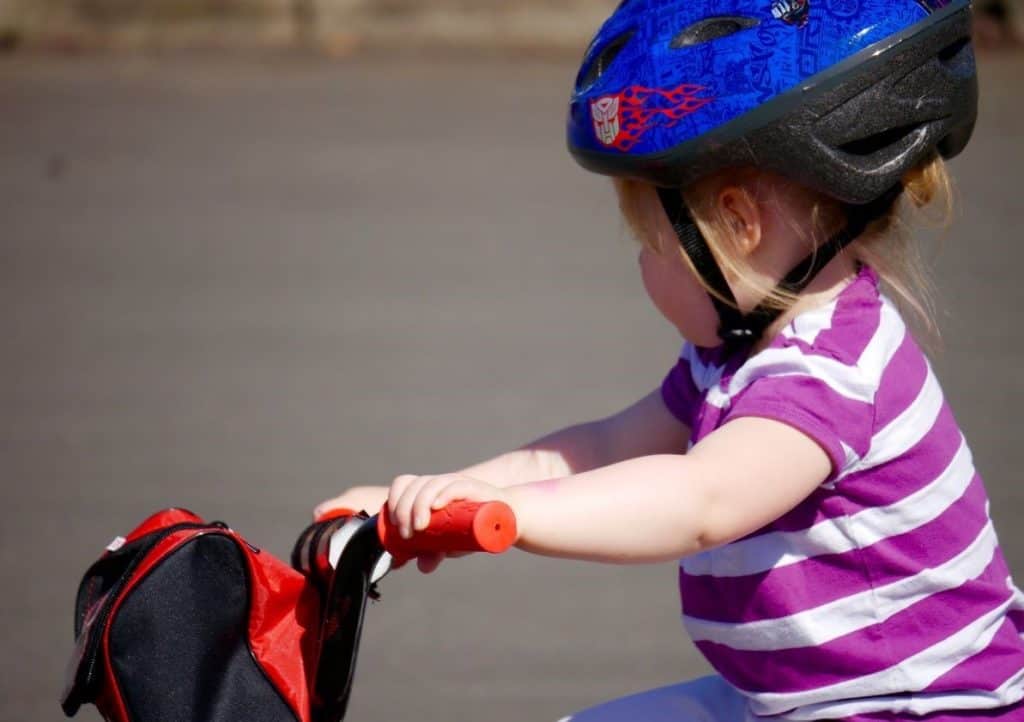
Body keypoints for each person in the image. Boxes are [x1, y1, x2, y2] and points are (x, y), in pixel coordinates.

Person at [316, 0, 1024, 719]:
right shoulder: (737, 356)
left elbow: (700, 502)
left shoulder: (832, 373)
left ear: (739, 228)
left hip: (925, 711)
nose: (643, 269)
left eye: (650, 245)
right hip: (798, 701)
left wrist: (510, 517)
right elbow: (598, 449)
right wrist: (439, 499)